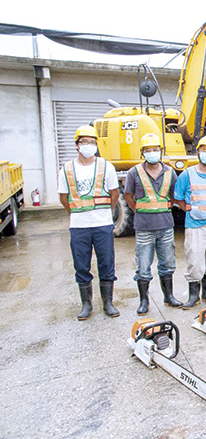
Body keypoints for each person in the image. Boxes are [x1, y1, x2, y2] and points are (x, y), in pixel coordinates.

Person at [58, 125, 120, 320]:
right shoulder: (67, 169)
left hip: (102, 224)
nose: (88, 145)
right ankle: (86, 304)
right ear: (77, 145)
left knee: (106, 262)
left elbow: (114, 194)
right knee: (81, 265)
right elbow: (63, 198)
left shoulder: (105, 166)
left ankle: (108, 302)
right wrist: (77, 212)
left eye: (92, 142)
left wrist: (104, 213)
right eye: (84, 142)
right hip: (79, 226)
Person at [124, 133, 180, 315]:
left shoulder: (170, 172)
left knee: (168, 263)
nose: (153, 153)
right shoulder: (134, 172)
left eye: (155, 149)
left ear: (161, 151)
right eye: (148, 150)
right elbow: (128, 197)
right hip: (144, 227)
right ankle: (144, 301)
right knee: (143, 266)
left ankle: (168, 296)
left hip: (165, 225)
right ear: (142, 153)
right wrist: (140, 210)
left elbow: (173, 196)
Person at [173, 136, 206, 309]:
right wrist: (189, 209)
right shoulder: (187, 174)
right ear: (198, 152)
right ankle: (193, 295)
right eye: (204, 151)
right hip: (195, 224)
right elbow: (178, 198)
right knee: (194, 260)